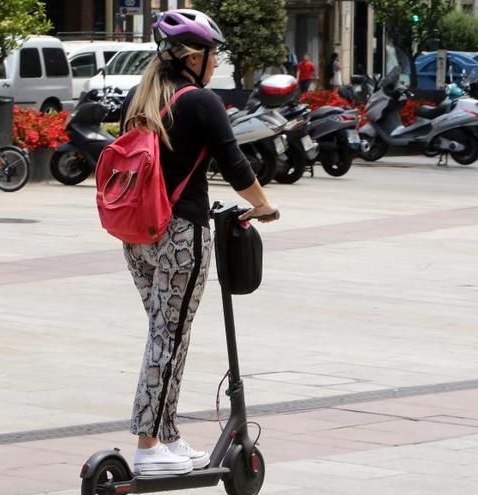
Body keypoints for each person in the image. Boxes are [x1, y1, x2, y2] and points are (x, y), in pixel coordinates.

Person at [118, 8, 279, 477]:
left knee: (164, 332)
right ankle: (148, 446)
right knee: (167, 335)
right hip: (181, 235)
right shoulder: (200, 101)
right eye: (213, 54)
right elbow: (235, 166)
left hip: (136, 234)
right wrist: (264, 205)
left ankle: (167, 437)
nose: (215, 64)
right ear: (194, 57)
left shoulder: (140, 97)